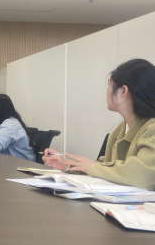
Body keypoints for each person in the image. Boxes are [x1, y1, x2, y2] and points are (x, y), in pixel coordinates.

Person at [44, 59, 155, 191]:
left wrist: (93, 167)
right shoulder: (118, 131)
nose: (106, 91)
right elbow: (106, 168)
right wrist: (67, 165)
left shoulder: (152, 128)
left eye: (109, 85)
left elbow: (142, 174)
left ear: (123, 91)